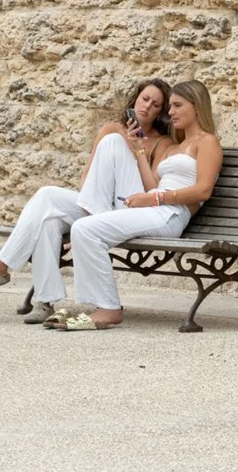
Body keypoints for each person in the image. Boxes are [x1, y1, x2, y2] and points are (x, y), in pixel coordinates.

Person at [0, 79, 176, 323]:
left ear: (161, 112)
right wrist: (87, 217)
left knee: (114, 142)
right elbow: (90, 175)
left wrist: (138, 148)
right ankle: (44, 301)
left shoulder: (161, 142)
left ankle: (2, 267)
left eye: (156, 104)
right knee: (47, 208)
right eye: (144, 99)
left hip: (130, 210)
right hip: (98, 205)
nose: (147, 106)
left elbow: (152, 191)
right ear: (135, 98)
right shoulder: (110, 129)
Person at [46, 79, 221, 331]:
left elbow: (203, 190)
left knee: (85, 229)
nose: (170, 112)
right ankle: (99, 305)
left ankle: (109, 309)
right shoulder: (177, 146)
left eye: (176, 105)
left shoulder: (207, 142)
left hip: (171, 214)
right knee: (83, 227)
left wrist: (156, 199)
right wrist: (139, 149)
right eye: (169, 107)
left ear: (196, 106)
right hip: (155, 208)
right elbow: (152, 186)